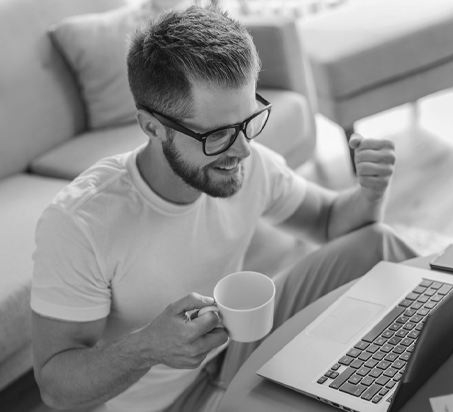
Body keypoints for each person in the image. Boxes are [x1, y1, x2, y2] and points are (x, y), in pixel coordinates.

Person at [30, 6, 416, 412]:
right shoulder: (80, 223)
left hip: (233, 344)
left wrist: (370, 194)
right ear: (152, 127)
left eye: (249, 120)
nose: (243, 150)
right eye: (217, 134)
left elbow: (329, 221)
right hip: (172, 402)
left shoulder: (249, 161)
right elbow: (56, 388)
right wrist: (147, 348)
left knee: (376, 243)